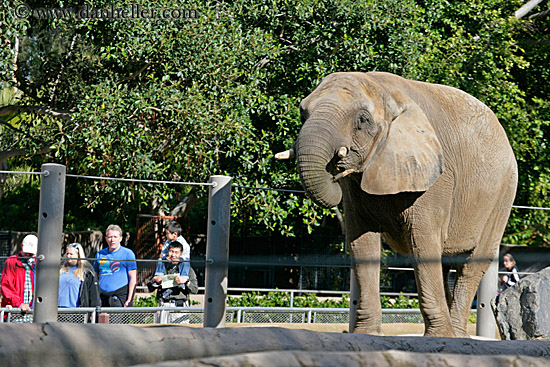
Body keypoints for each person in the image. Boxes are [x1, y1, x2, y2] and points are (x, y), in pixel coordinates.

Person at [93, 225, 137, 307]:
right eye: (110, 237)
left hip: (119, 297)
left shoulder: (128, 254)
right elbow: (94, 276)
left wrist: (130, 300)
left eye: (115, 237)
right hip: (102, 297)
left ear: (120, 238)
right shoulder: (100, 254)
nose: (112, 240)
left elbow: (133, 278)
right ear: (106, 238)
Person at [148, 241, 198, 307]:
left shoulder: (187, 269)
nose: (173, 255)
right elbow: (150, 287)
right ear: (167, 252)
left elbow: (195, 289)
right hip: (163, 304)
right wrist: (154, 280)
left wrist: (186, 282)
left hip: (180, 305)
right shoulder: (161, 267)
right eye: (171, 251)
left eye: (176, 252)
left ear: (181, 254)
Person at [1, 234, 38, 322]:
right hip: (15, 313)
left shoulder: (38, 263)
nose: (28, 254)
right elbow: (6, 287)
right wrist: (18, 304)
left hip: (33, 313)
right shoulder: (12, 262)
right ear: (21, 246)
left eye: (31, 253)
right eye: (26, 252)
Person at [58, 243, 100, 308]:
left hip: (75, 310)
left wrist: (95, 310)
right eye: (67, 254)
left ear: (78, 255)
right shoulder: (60, 269)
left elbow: (94, 294)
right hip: (58, 308)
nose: (68, 256)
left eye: (71, 254)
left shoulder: (87, 272)